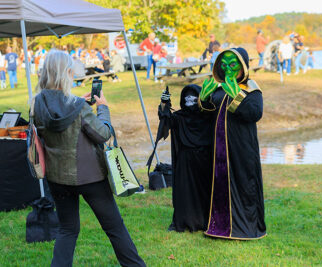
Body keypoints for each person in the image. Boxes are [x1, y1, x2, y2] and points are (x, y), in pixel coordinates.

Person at [33, 50, 146, 267]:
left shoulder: (37, 102)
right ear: (66, 73)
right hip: (90, 177)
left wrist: (79, 104)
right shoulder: (77, 107)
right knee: (114, 227)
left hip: (57, 178)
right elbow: (102, 134)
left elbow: (60, 114)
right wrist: (102, 108)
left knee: (67, 230)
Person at [199, 47, 266, 240]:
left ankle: (243, 228)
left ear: (243, 66)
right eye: (224, 64)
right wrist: (203, 100)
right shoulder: (219, 88)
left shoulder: (251, 88)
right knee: (218, 183)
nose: (228, 68)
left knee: (243, 184)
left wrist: (236, 94)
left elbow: (254, 113)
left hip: (241, 148)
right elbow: (208, 113)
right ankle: (217, 225)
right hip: (218, 149)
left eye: (233, 64)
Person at [156, 84, 214, 232]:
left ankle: (205, 220)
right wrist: (164, 105)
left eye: (194, 99)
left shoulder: (209, 116)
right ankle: (186, 219)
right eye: (187, 99)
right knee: (185, 192)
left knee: (205, 191)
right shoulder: (180, 117)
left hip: (205, 160)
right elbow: (166, 122)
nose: (190, 103)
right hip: (185, 161)